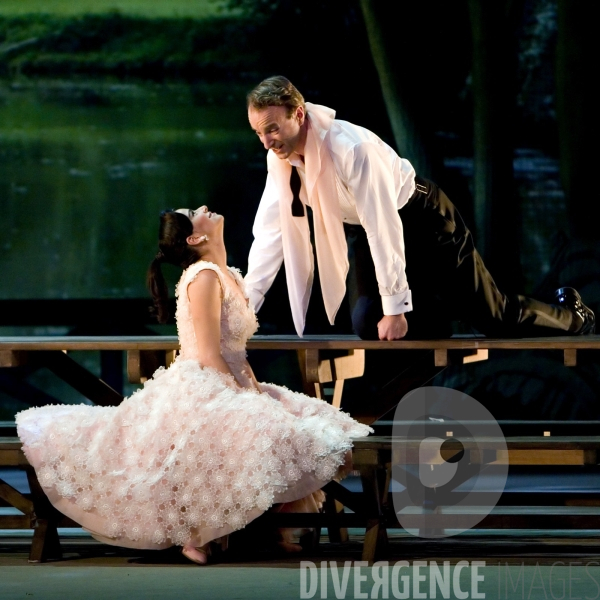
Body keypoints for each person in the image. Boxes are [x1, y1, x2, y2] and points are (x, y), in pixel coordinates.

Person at [16, 206, 372, 565]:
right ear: (195, 238)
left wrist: (254, 390)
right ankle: (197, 533)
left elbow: (235, 352)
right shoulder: (203, 277)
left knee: (314, 424)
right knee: (261, 429)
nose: (204, 208)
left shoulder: (227, 274)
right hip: (203, 380)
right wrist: (242, 396)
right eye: (195, 212)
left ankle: (268, 528)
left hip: (229, 375)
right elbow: (207, 351)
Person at [244, 76, 595, 340]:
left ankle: (571, 314)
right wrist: (248, 305)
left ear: (299, 114)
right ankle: (436, 310)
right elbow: (271, 234)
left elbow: (385, 225)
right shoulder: (283, 162)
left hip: (422, 219)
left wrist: (396, 308)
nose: (266, 141)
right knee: (368, 323)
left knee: (493, 317)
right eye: (259, 133)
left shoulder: (352, 149)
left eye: (272, 129)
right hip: (369, 232)